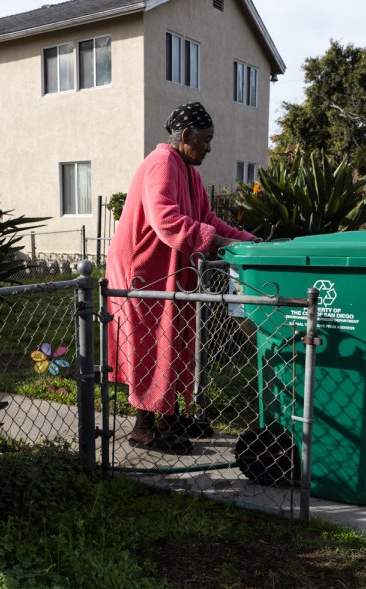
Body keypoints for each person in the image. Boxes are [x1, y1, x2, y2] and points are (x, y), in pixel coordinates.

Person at [106, 101, 261, 453]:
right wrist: (216, 242)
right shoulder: (161, 164)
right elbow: (166, 222)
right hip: (142, 271)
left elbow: (207, 220)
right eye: (205, 139)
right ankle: (144, 429)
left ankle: (168, 418)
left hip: (169, 268)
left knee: (174, 341)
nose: (209, 147)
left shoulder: (189, 170)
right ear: (187, 135)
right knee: (150, 345)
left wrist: (249, 242)